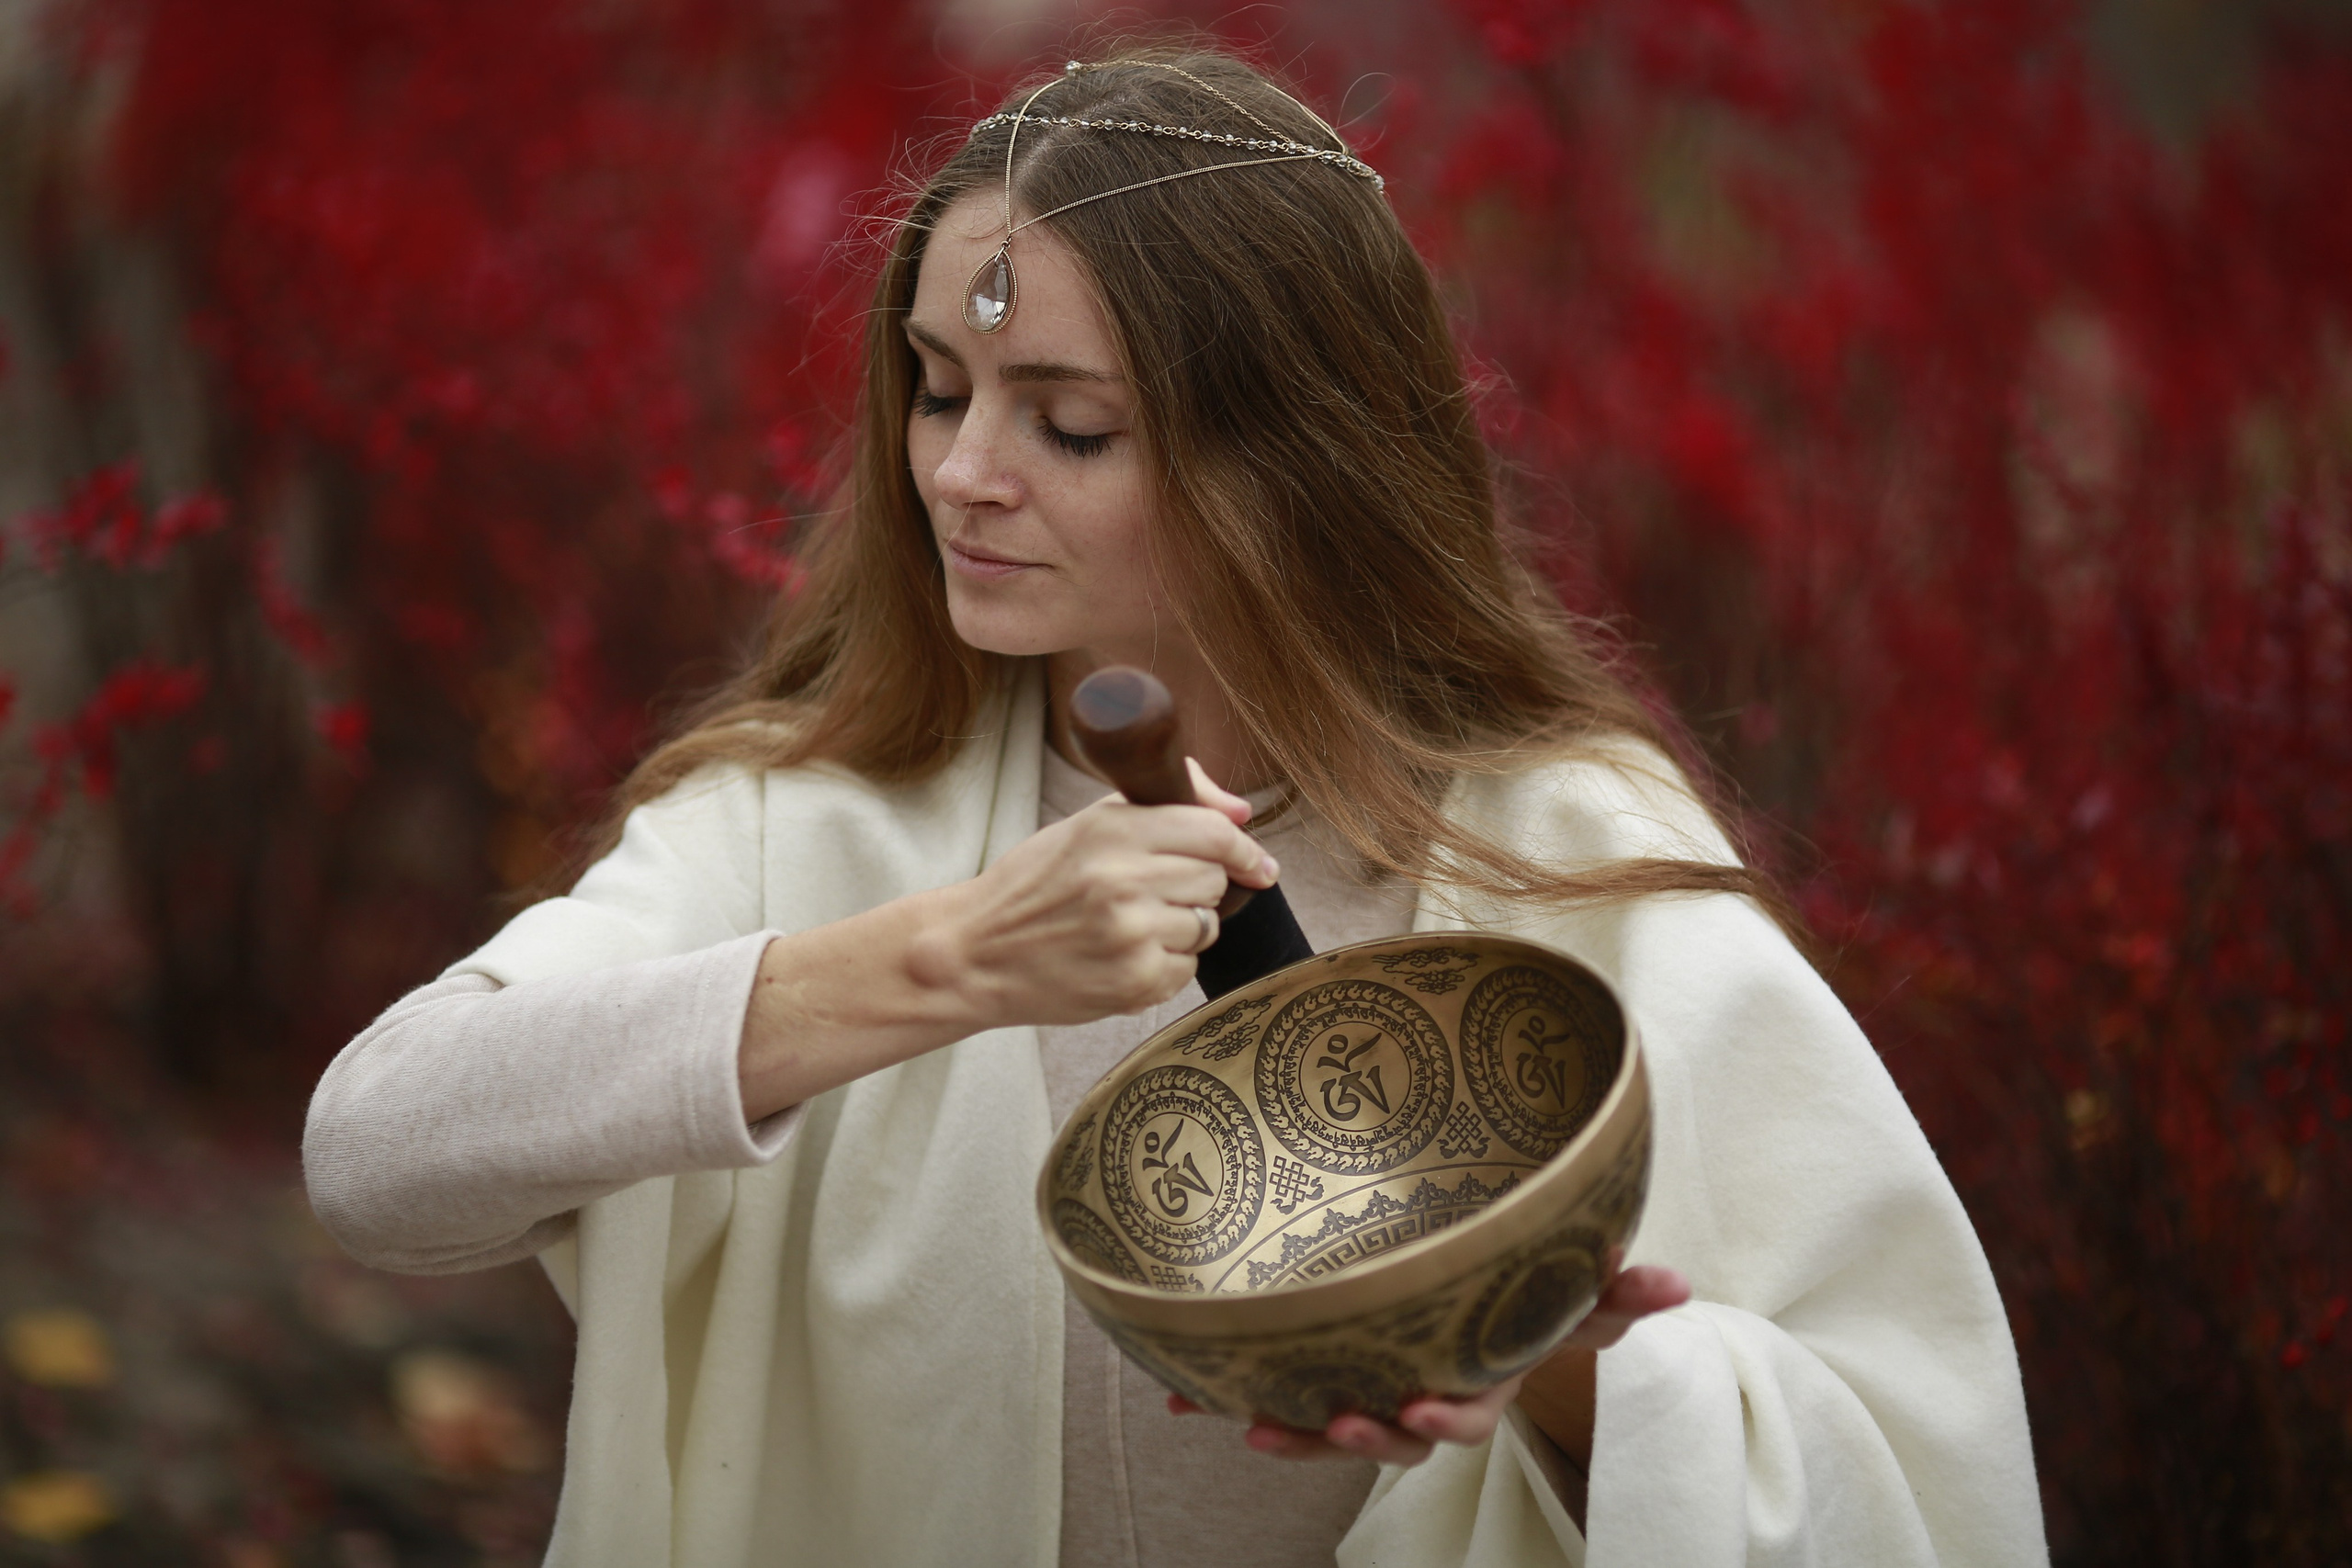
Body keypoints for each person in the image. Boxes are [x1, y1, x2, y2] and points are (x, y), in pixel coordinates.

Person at [304, 45, 2045, 1568]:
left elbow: (1882, 1451)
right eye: (937, 387)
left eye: (1068, 426)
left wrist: (1535, 1362)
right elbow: (376, 1156)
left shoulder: (1566, 849)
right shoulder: (808, 826)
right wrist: (943, 960)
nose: (961, 475)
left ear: (1290, 458)